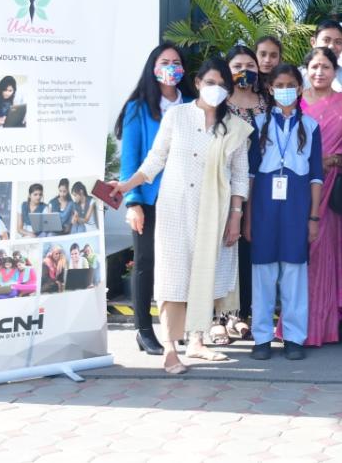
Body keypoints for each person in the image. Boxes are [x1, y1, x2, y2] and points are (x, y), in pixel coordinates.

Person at [113, 56, 253, 375]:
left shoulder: (236, 128)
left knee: (205, 273)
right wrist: (126, 185)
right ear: (198, 83)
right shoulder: (176, 117)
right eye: (209, 83)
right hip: (175, 208)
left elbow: (241, 177)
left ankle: (198, 340)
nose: (215, 89)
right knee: (173, 278)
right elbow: (154, 160)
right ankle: (170, 349)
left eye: (221, 85)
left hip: (214, 212)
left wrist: (235, 217)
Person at [114, 42, 192, 355]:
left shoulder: (190, 106)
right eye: (165, 61)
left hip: (184, 196)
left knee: (179, 263)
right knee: (146, 261)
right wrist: (132, 201)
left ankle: (177, 328)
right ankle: (143, 330)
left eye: (176, 62)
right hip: (148, 196)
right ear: (153, 67)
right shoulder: (139, 107)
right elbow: (130, 159)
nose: (171, 67)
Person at [246, 63, 322, 361]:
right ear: (270, 88)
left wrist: (313, 217)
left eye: (291, 84)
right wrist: (248, 217)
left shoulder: (311, 126)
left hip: (296, 206)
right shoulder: (258, 122)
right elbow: (249, 176)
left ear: (300, 88)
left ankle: (294, 337)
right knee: (263, 273)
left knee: (294, 272)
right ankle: (261, 337)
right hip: (264, 205)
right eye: (279, 85)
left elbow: (316, 176)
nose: (285, 90)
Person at [300, 47, 342, 345]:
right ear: (306, 70)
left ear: (335, 71)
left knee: (329, 251)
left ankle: (329, 321)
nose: (319, 72)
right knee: (307, 254)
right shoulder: (295, 105)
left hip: (334, 186)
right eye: (314, 67)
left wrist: (336, 160)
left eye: (325, 67)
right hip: (303, 189)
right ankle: (304, 321)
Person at [225, 44, 270, 342]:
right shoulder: (221, 103)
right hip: (229, 184)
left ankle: (251, 313)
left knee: (254, 247)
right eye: (238, 65)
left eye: (250, 65)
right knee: (230, 247)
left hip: (265, 183)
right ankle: (228, 314)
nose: (245, 71)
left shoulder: (267, 101)